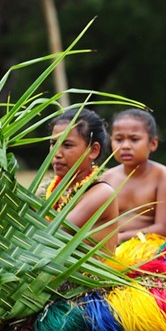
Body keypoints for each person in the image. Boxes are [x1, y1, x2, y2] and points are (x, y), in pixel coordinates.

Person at [47, 109, 119, 254]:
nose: (56, 153)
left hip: (90, 276)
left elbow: (54, 234)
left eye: (67, 145)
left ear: (93, 150)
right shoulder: (50, 189)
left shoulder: (101, 192)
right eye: (53, 143)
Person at [104, 109, 166, 242]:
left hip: (150, 246)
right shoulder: (107, 178)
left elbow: (162, 229)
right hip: (110, 246)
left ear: (153, 143)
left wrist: (121, 238)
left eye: (134, 139)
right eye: (119, 139)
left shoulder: (163, 176)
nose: (125, 146)